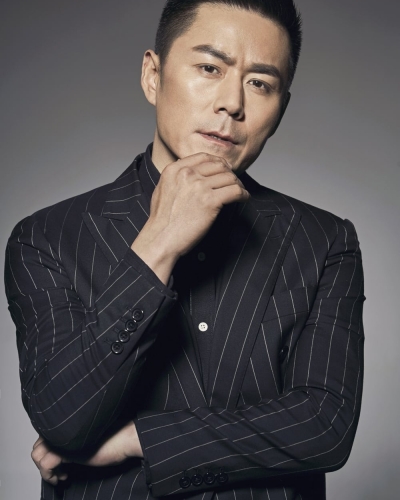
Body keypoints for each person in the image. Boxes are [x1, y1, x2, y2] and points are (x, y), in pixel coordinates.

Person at [4, 0, 365, 499]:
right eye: (210, 68)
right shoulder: (46, 237)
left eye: (260, 83)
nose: (232, 103)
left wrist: (142, 441)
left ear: (281, 108)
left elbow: (325, 426)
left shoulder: (324, 241)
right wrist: (158, 244)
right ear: (153, 76)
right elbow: (63, 419)